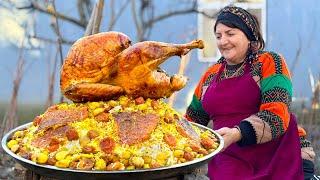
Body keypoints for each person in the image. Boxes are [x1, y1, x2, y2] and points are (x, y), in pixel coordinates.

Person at [185, 5, 317, 180]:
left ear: (249, 36)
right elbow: (191, 121)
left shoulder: (269, 62)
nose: (223, 41)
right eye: (218, 36)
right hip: (230, 164)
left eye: (230, 34)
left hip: (281, 159)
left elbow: (276, 115)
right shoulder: (210, 75)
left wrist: (237, 133)